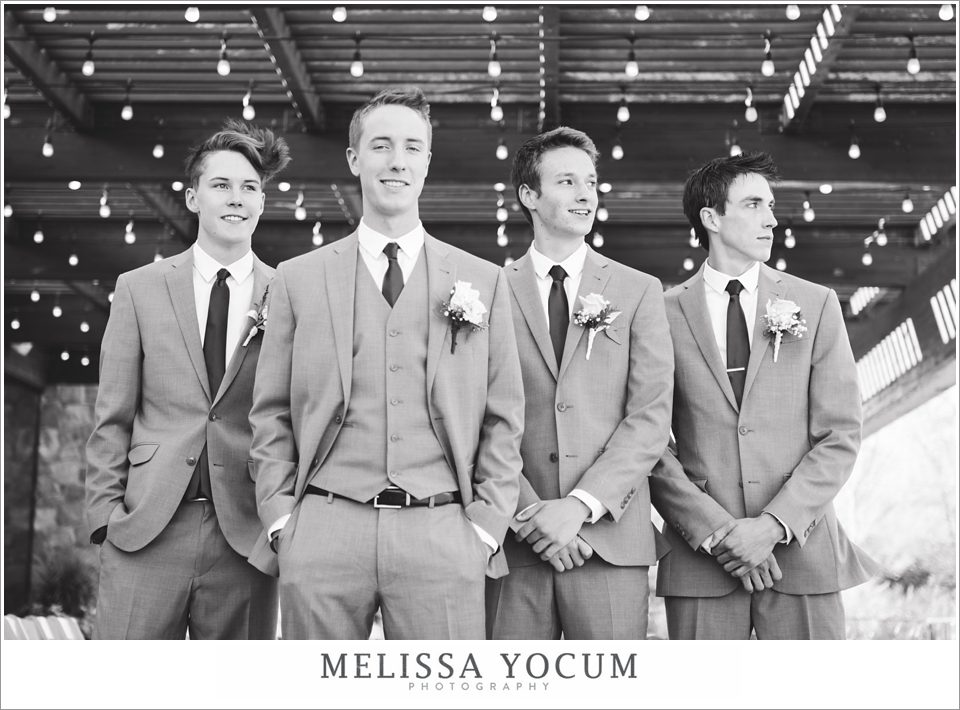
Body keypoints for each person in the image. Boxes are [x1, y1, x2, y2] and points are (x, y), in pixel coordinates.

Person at [248, 86, 524, 640]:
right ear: (354, 159)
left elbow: (505, 415)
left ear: (427, 162)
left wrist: (486, 527)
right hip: (324, 528)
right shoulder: (297, 279)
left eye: (411, 147)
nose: (397, 160)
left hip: (443, 530)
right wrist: (282, 520)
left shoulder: (484, 280)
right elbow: (270, 411)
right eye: (380, 145)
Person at [650, 151, 878, 639]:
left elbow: (840, 435)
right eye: (753, 204)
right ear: (711, 218)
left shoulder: (815, 304)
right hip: (702, 560)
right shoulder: (659, 314)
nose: (771, 219)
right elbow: (647, 441)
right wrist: (718, 533)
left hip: (804, 554)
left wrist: (772, 526)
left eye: (770, 206)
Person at [85, 119, 290, 639]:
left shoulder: (290, 295)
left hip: (246, 535)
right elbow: (112, 416)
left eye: (249, 187)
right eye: (221, 184)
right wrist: (106, 518)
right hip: (145, 529)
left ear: (262, 202)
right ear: (193, 197)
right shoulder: (139, 289)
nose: (236, 198)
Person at [485, 127, 673, 640]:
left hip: (607, 541)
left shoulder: (638, 291)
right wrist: (529, 515)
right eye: (567, 182)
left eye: (590, 182)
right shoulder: (490, 290)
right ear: (529, 195)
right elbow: (475, 416)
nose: (585, 194)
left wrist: (579, 507)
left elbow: (650, 418)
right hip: (514, 542)